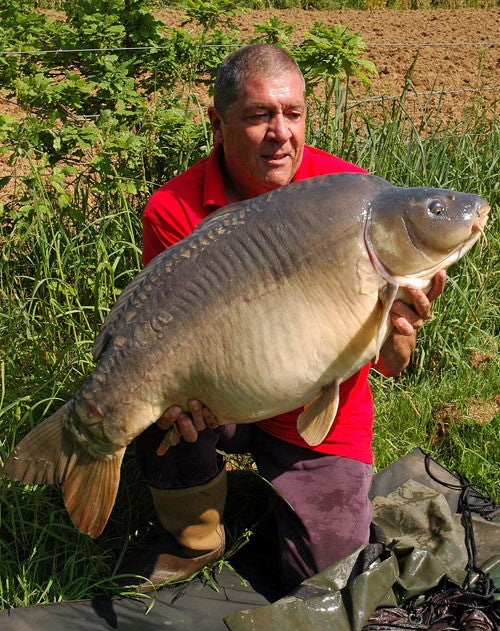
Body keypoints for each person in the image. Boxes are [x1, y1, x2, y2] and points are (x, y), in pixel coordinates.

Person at [126, 44, 446, 594]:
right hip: (221, 388)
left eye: (293, 114)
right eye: (258, 116)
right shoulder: (172, 209)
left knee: (328, 580)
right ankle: (197, 536)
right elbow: (165, 332)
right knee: (147, 395)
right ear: (217, 123)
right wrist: (166, 392)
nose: (282, 132)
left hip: (321, 403)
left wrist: (400, 324)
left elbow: (392, 365)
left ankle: (290, 495)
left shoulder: (357, 197)